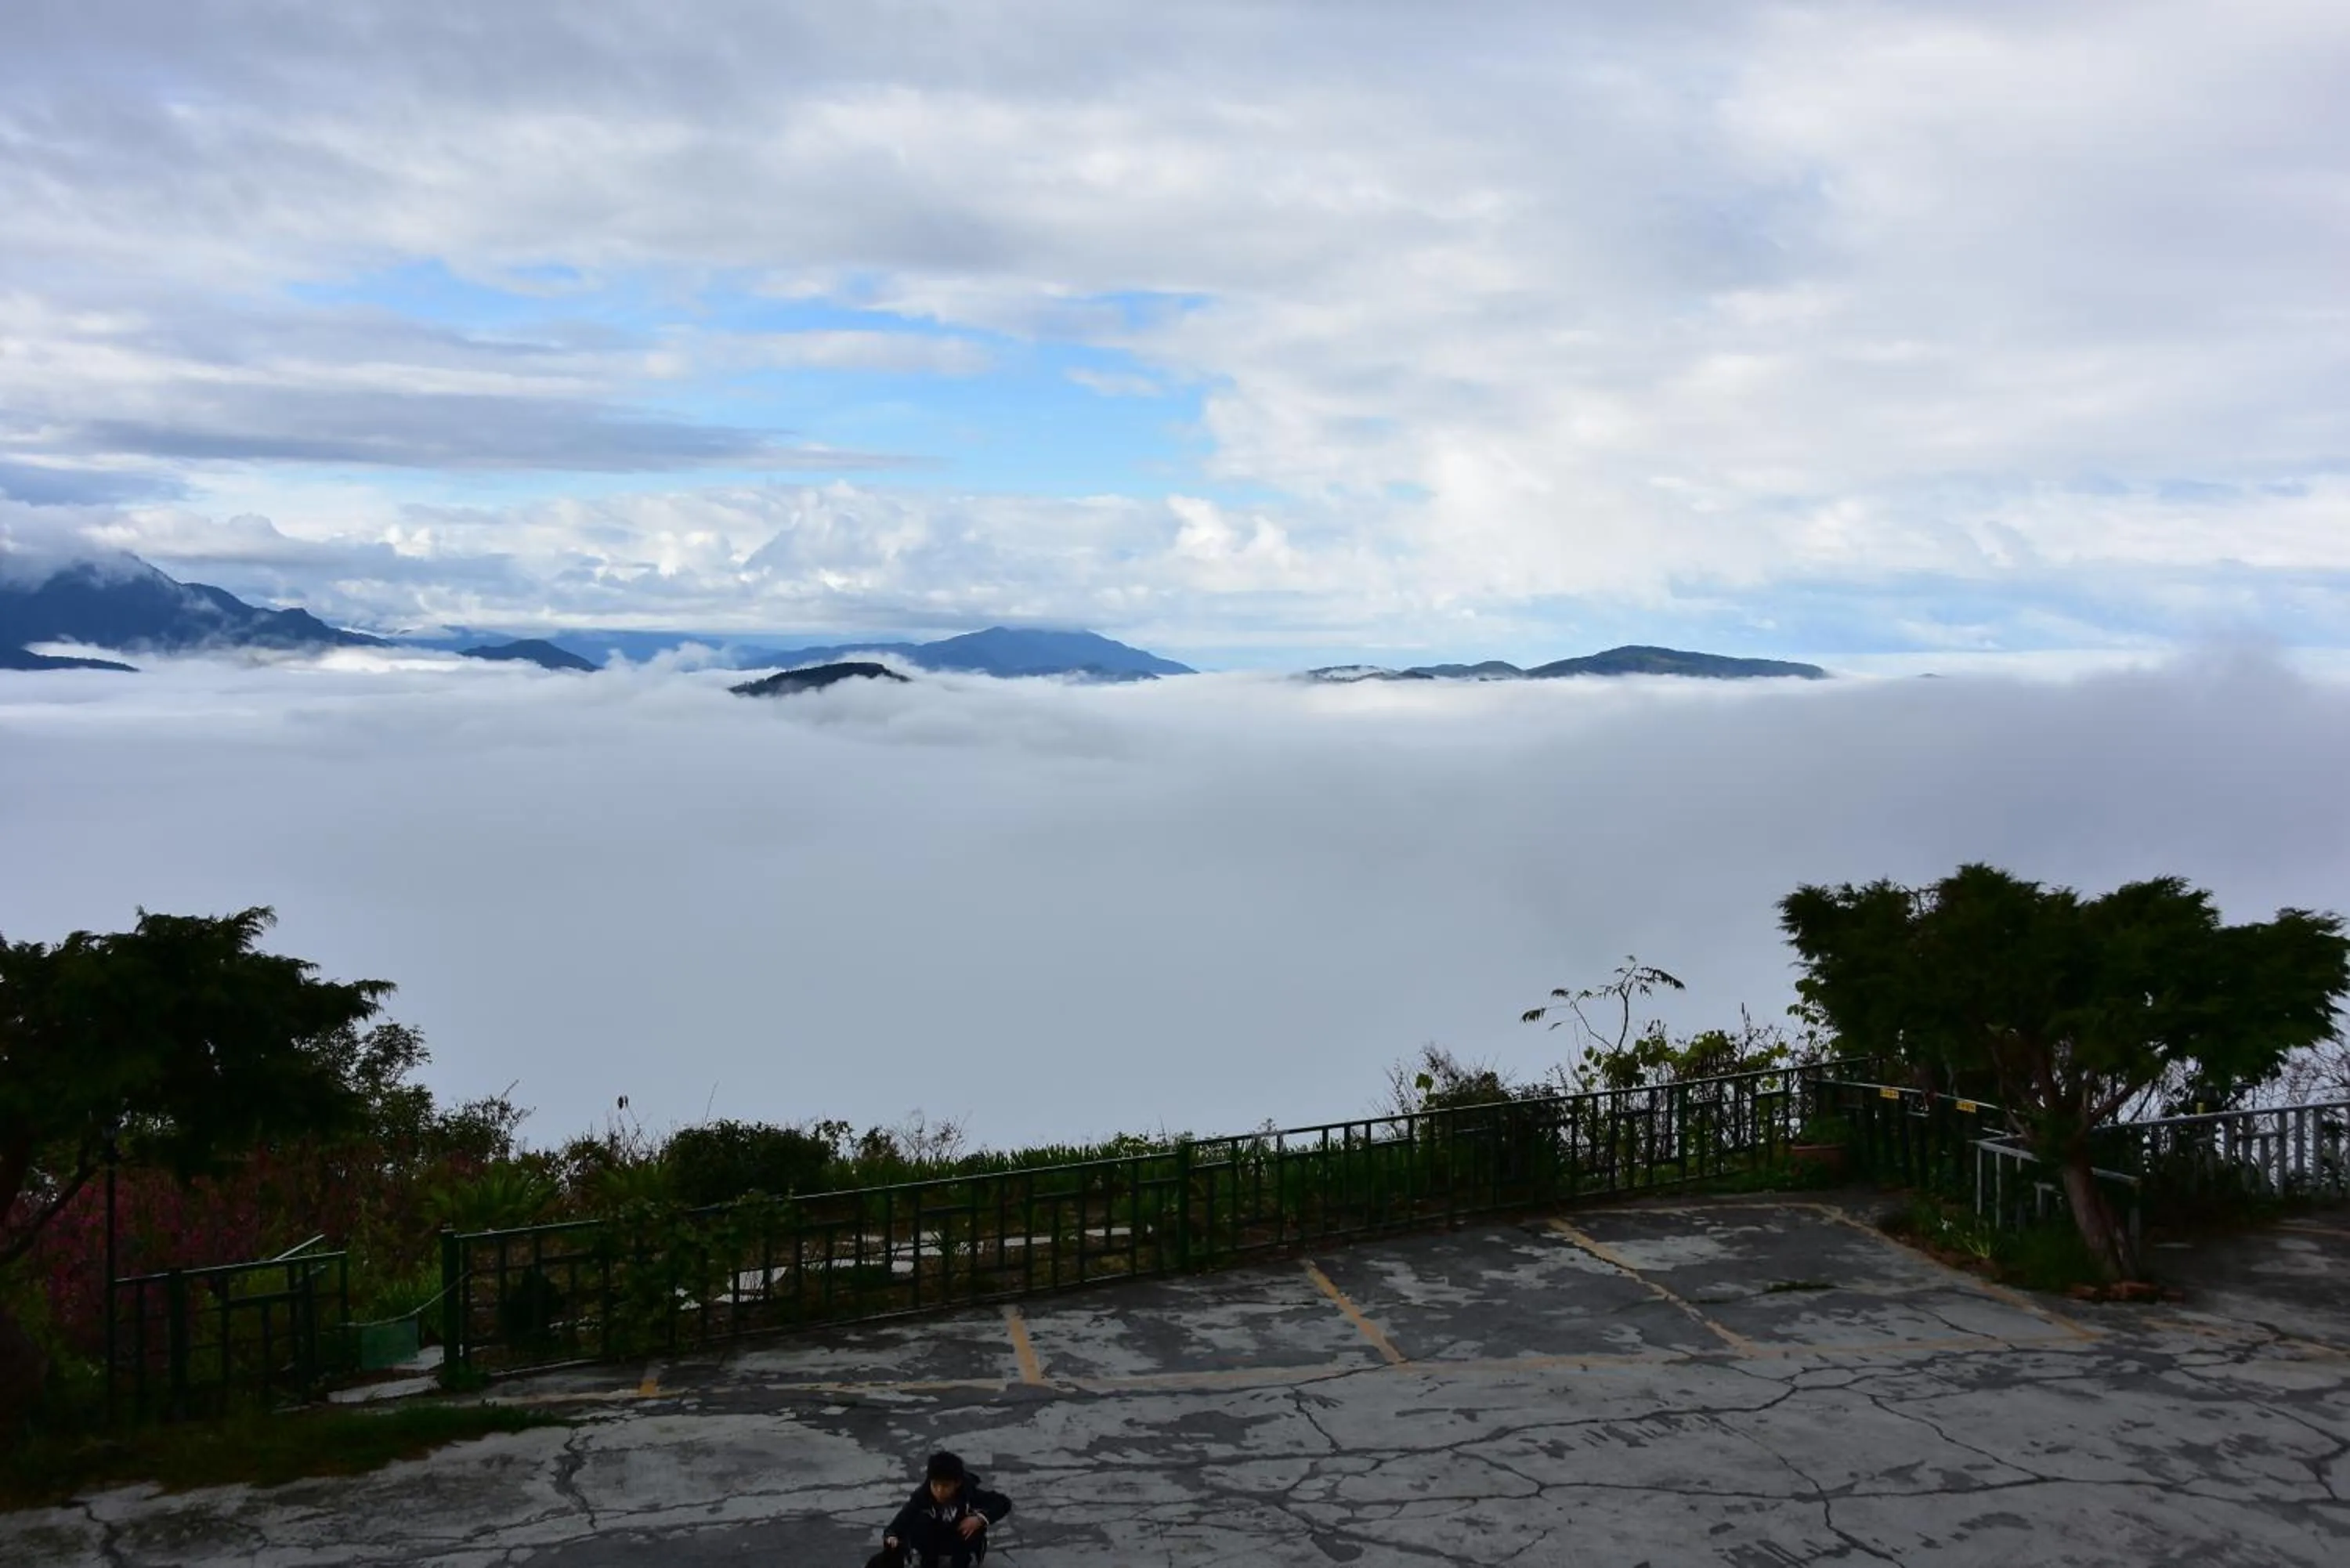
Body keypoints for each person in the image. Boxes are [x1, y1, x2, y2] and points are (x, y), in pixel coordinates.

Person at [877, 1451, 1012, 1566]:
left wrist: (980, 1519)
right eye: (935, 1485)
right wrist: (892, 1537)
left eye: (945, 1486)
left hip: (960, 1539)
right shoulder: (921, 1497)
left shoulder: (969, 1494)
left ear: (957, 1483)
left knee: (969, 1528)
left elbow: (1003, 1502)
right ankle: (928, 1561)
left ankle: (965, 1560)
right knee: (920, 1521)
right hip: (932, 1539)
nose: (939, 1491)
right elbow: (900, 1521)